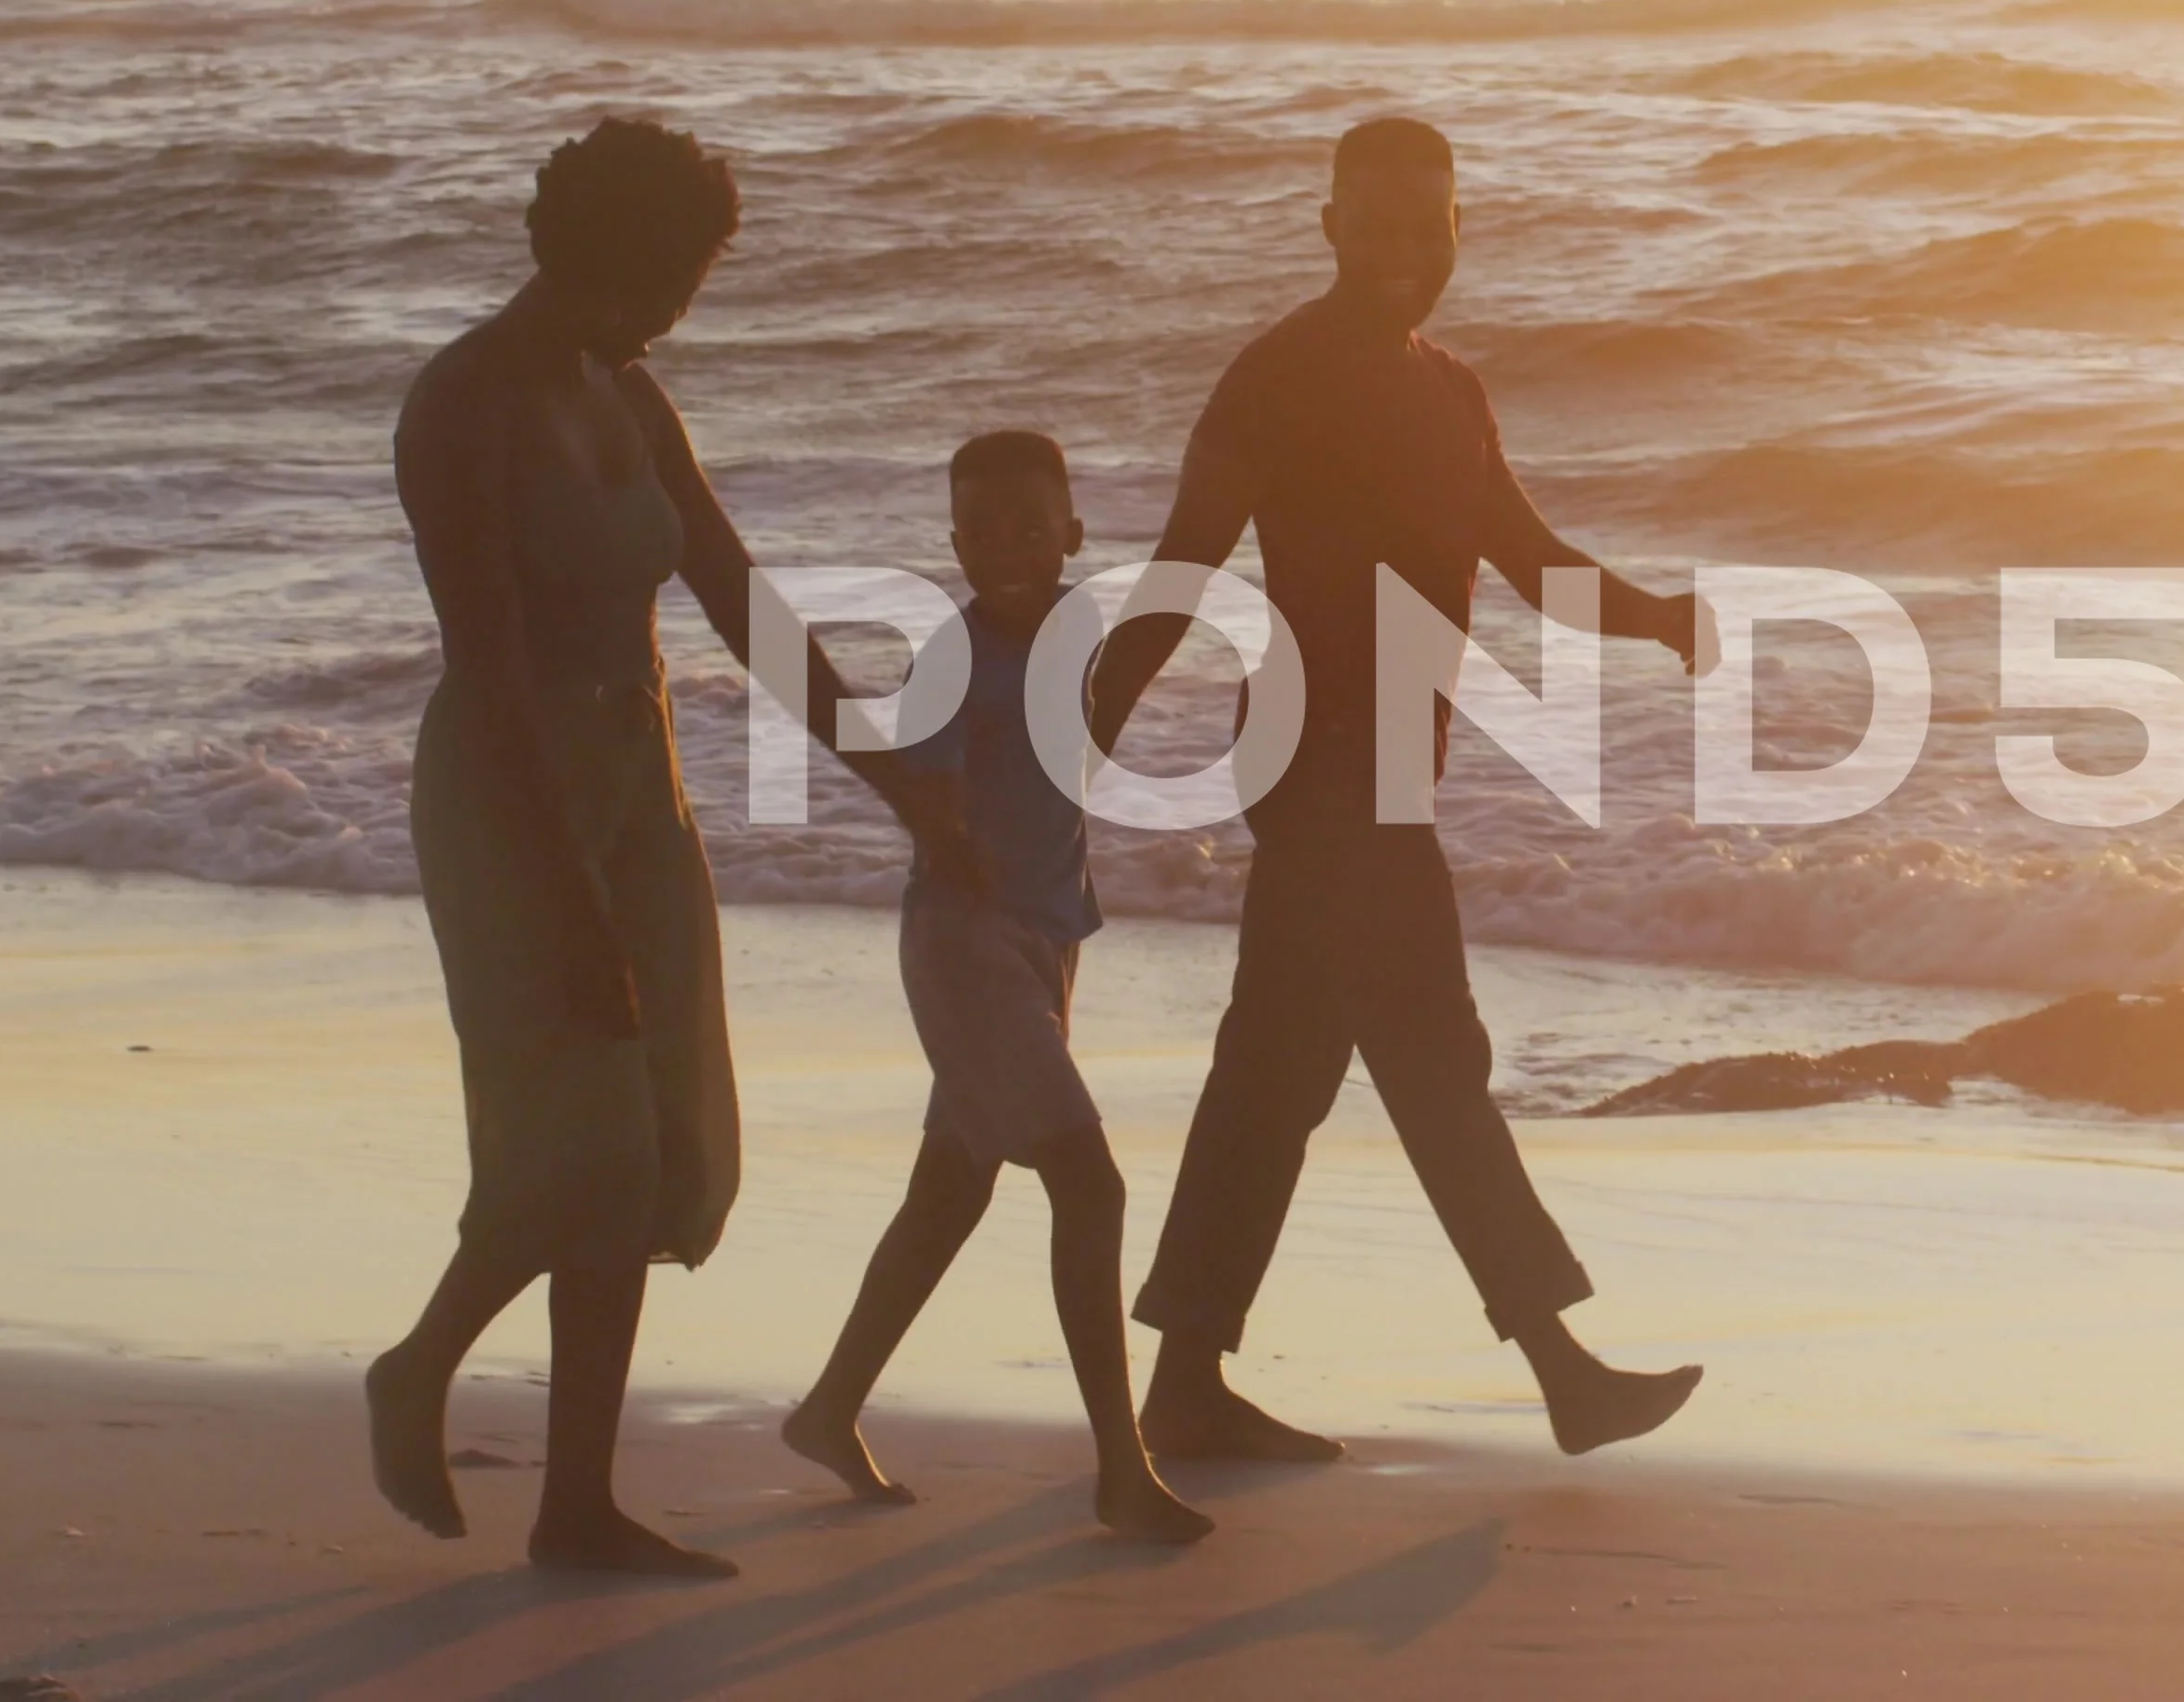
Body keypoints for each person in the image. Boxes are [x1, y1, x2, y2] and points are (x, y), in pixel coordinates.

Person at [365, 117, 970, 1577]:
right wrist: (571, 905)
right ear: (613, 253)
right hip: (517, 791)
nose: (693, 294)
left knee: (658, 1151)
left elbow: (743, 599)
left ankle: (578, 1502)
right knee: (583, 1141)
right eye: (684, 264)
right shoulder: (465, 406)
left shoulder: (629, 390)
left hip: (640, 773)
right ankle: (420, 1363)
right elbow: (493, 668)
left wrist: (904, 787)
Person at [1091, 116, 1706, 1462]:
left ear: (1456, 232)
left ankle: (1188, 1378)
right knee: (1429, 1066)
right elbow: (1181, 570)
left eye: (1427, 223)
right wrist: (1074, 739)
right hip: (1318, 774)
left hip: (1386, 774)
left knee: (1277, 1072)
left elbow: (1532, 563)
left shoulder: (1453, 391)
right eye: (1373, 222)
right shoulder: (1274, 381)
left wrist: (1661, 615)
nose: (1401, 249)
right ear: (1326, 226)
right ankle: (1561, 1369)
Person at [779, 431, 1214, 1544]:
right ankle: (1122, 1468)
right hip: (965, 947)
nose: (1005, 549)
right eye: (979, 532)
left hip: (1047, 944)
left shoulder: (1081, 637)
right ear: (954, 543)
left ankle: (828, 1411)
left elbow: (1096, 737)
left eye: (1030, 527)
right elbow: (927, 791)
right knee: (1092, 1187)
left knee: (950, 1193)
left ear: (1072, 534)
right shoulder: (951, 654)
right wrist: (944, 813)